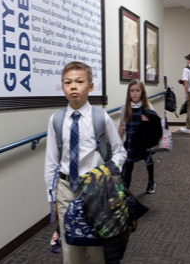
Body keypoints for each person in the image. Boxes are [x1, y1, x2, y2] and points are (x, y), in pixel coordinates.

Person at [45, 62, 127, 264]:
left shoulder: (101, 117)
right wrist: (52, 197)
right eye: (68, 82)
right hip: (66, 188)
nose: (73, 86)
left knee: (99, 245)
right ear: (62, 87)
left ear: (90, 87)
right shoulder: (56, 120)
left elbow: (119, 151)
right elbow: (51, 161)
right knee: (71, 248)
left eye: (79, 82)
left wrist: (108, 175)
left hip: (97, 190)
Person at [118, 79, 157, 194]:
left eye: (137, 91)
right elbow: (122, 125)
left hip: (144, 141)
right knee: (128, 165)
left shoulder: (147, 106)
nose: (134, 93)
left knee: (148, 160)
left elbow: (154, 123)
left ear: (142, 92)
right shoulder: (125, 107)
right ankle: (126, 192)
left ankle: (151, 181)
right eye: (132, 91)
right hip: (131, 141)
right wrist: (118, 142)